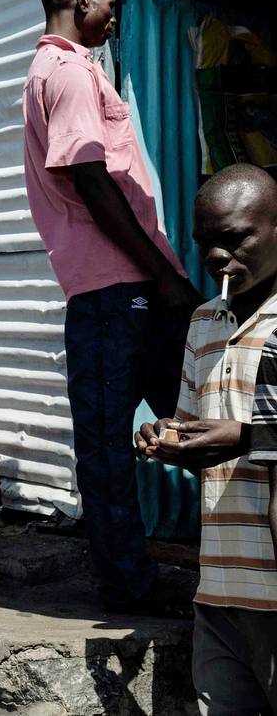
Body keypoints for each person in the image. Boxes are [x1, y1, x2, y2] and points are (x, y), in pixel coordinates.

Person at [22, 0, 201, 613]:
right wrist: (157, 272)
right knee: (107, 443)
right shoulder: (66, 72)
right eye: (109, 3)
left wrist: (165, 273)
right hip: (111, 290)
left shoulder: (74, 68)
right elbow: (92, 181)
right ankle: (128, 584)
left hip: (131, 287)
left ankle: (241, 554)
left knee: (196, 424)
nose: (116, 15)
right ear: (77, 0)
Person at [136, 164, 277, 714]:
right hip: (220, 582)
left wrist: (243, 435)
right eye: (205, 244)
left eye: (235, 238)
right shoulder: (204, 321)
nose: (217, 257)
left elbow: (241, 438)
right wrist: (168, 440)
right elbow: (197, 431)